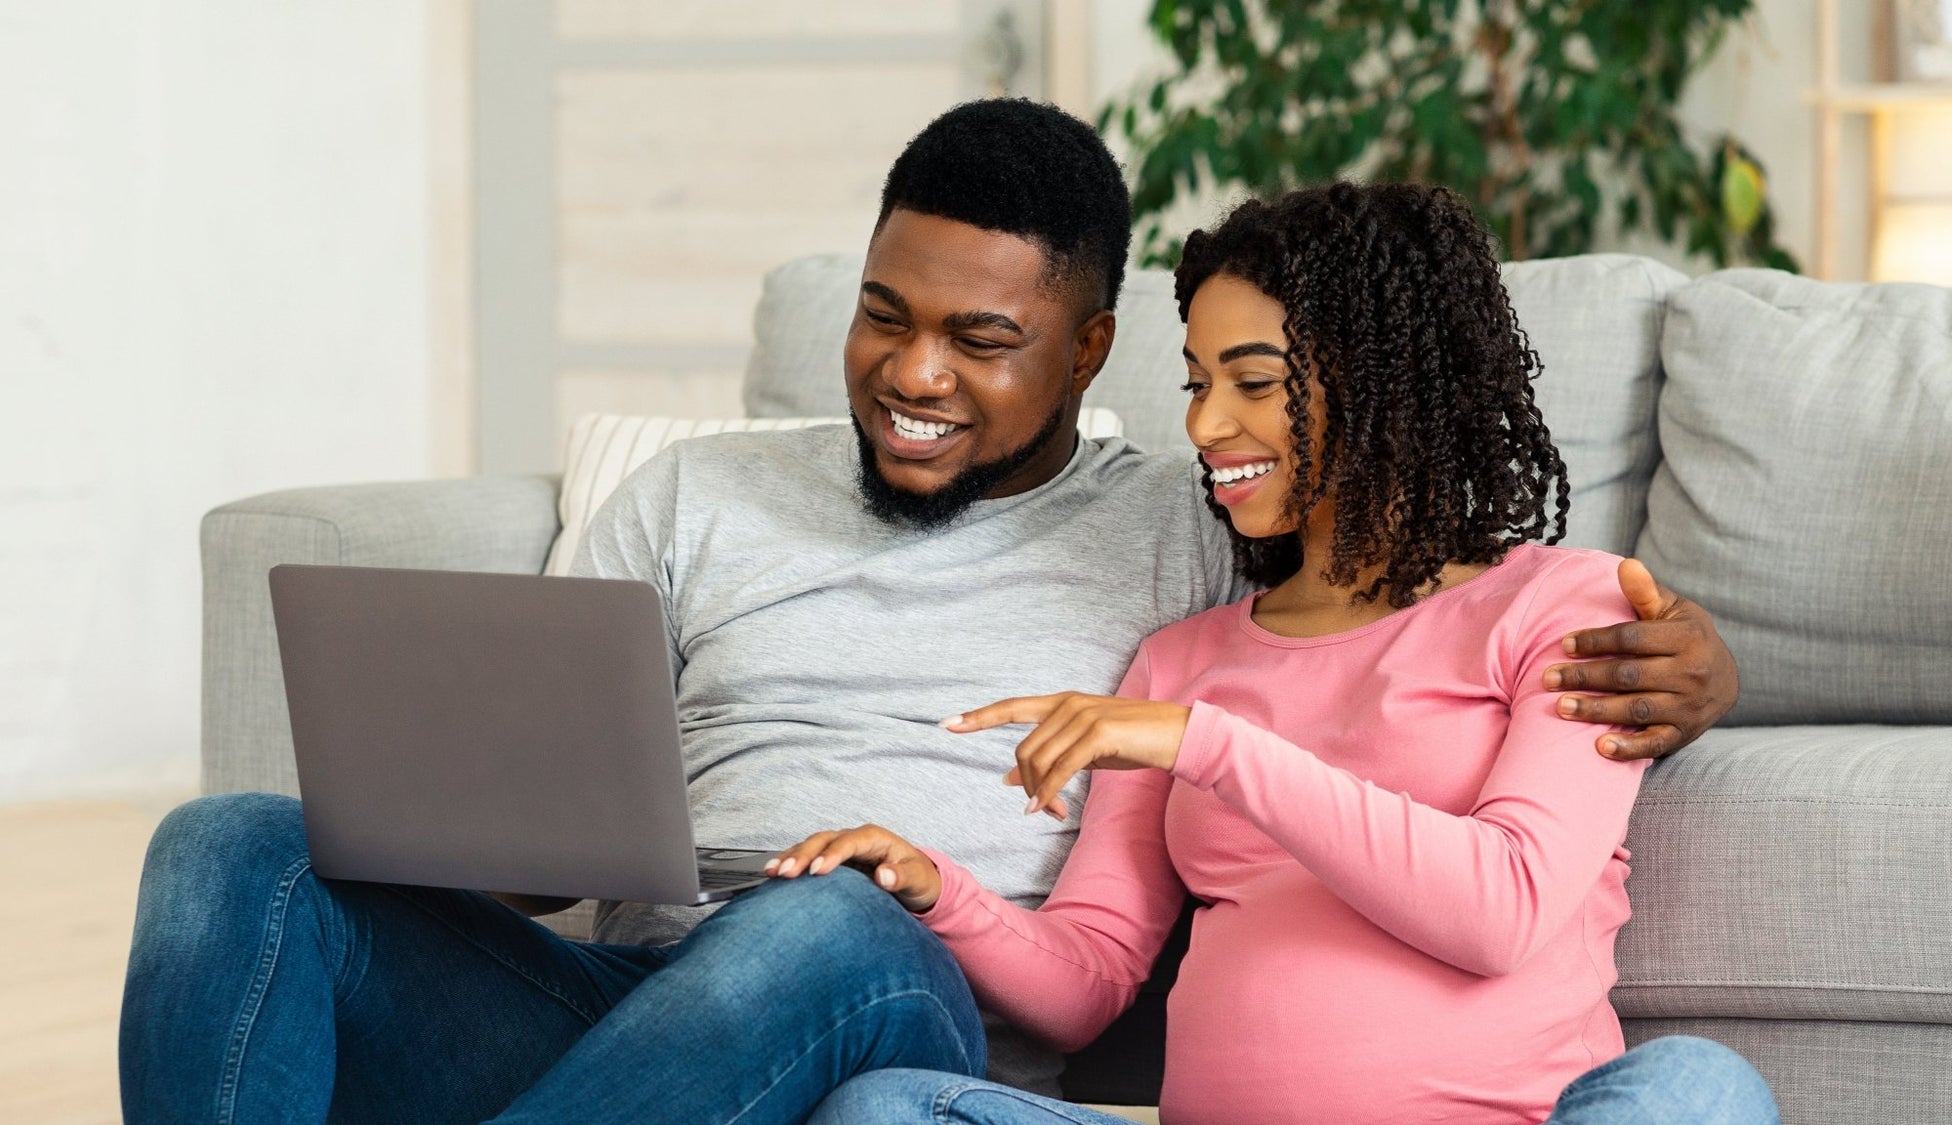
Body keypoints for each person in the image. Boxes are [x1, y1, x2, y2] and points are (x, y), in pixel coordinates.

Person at [120, 101, 1739, 1123]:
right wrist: (487, 836)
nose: (913, 373)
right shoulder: (695, 495)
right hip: (633, 997)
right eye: (885, 318)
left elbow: (1408, 597)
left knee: (824, 922)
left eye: (978, 338)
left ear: (1088, 351)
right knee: (231, 847)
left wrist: (1708, 661)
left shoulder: (1183, 540)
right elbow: (549, 814)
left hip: (878, 990)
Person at [772, 184, 1777, 1124]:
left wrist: (1209, 746)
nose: (1205, 425)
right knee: (890, 1107)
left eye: (1252, 382)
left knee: (1695, 1085)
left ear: (1383, 381)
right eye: (1198, 382)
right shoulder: (1180, 661)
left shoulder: (1565, 605)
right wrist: (934, 890)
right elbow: (1089, 980)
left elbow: (1501, 912)